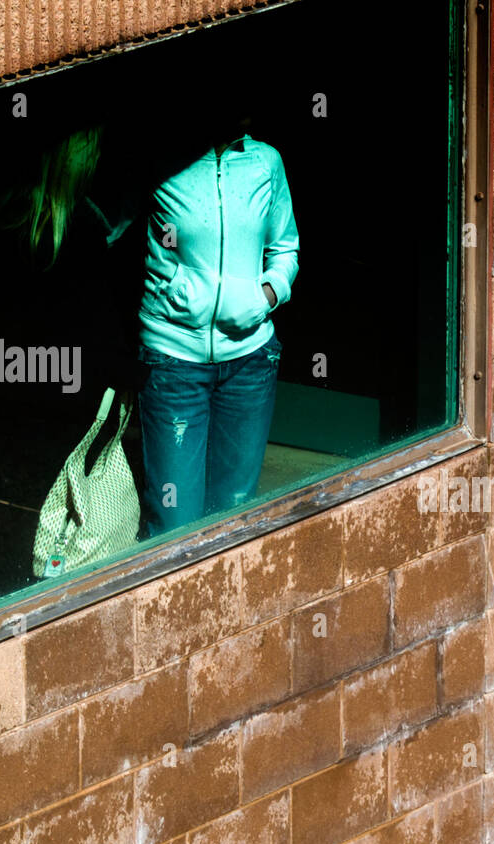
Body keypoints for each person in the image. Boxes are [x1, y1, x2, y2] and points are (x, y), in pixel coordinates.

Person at [136, 120, 300, 537]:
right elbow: (109, 229)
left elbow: (285, 248)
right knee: (175, 524)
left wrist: (264, 295)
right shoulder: (162, 158)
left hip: (250, 362)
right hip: (174, 362)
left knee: (234, 516)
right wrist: (173, 290)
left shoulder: (266, 162)